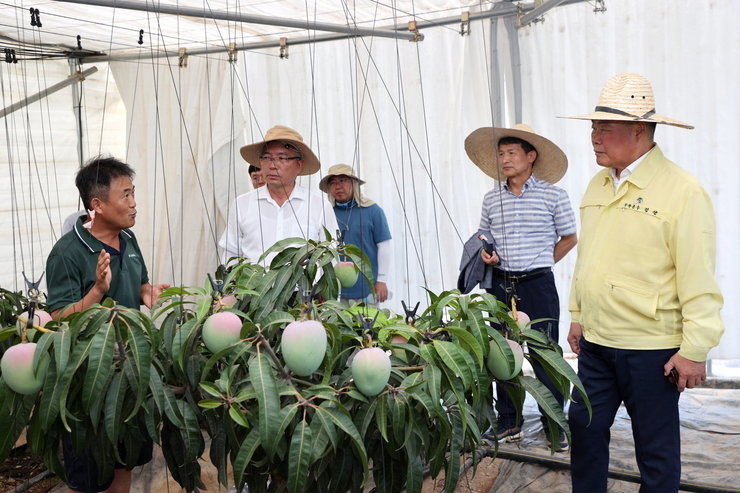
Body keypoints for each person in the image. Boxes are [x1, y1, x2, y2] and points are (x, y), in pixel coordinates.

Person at [564, 73, 725, 492]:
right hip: (597, 345)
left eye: (605, 128)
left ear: (638, 130)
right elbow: (588, 259)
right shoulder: (597, 184)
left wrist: (694, 350)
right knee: (582, 427)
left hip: (651, 349)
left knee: (654, 449)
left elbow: (698, 277)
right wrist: (579, 315)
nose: (594, 137)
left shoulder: (682, 192)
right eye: (593, 128)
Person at [45, 156, 170, 493]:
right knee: (88, 475)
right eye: (125, 195)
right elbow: (58, 318)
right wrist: (97, 292)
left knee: (124, 462)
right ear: (97, 205)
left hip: (130, 373)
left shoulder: (128, 241)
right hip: (89, 381)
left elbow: (139, 284)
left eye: (133, 193)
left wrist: (148, 292)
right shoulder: (67, 253)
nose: (134, 204)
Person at [464, 124, 578, 451]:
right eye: (501, 154)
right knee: (503, 355)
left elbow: (570, 237)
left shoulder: (553, 195)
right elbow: (484, 236)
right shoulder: (491, 198)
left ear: (531, 157)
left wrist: (543, 260)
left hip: (538, 284)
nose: (505, 159)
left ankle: (554, 424)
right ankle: (508, 423)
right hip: (501, 286)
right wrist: (488, 251)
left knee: (545, 355)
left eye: (512, 153)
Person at [219, 125, 338, 265]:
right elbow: (231, 254)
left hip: (304, 287)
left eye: (282, 158)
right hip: (251, 286)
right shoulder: (242, 204)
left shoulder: (319, 206)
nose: (272, 165)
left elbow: (330, 255)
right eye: (267, 158)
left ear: (299, 165)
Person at [318, 164, 392, 305]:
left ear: (354, 183)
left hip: (367, 288)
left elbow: (384, 246)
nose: (338, 186)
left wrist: (382, 280)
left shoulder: (373, 211)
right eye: (333, 182)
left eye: (343, 180)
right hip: (334, 289)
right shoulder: (324, 213)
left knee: (368, 325)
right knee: (336, 326)